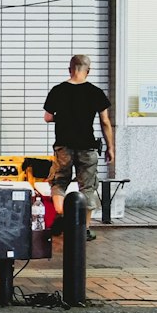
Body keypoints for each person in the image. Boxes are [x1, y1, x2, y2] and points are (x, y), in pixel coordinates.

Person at [43, 54, 114, 241]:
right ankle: (85, 229)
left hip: (63, 146)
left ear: (69, 69)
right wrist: (110, 147)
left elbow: (48, 117)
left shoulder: (58, 90)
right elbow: (105, 121)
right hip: (87, 147)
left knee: (59, 183)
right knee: (87, 187)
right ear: (88, 71)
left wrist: (64, 117)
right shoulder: (95, 92)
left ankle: (63, 215)